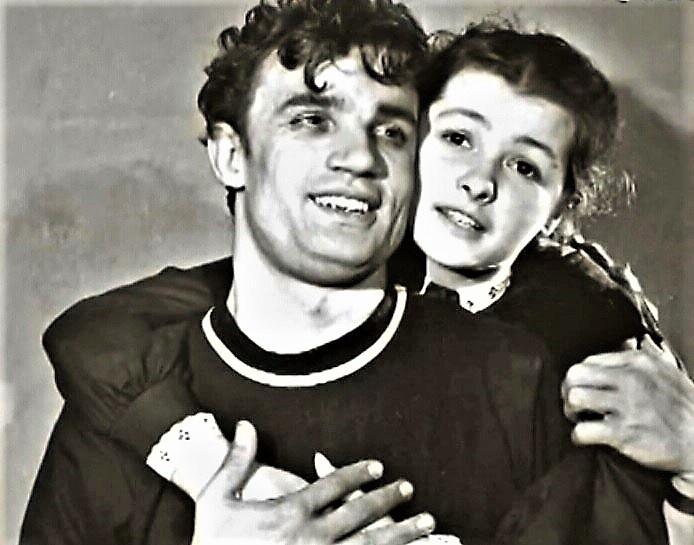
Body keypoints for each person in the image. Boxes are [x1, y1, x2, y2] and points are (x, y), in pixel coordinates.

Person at [23, 7, 682, 545]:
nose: (359, 157)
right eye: (313, 119)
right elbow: (90, 330)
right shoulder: (142, 376)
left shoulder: (559, 353)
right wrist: (211, 476)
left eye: (389, 130)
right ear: (230, 154)